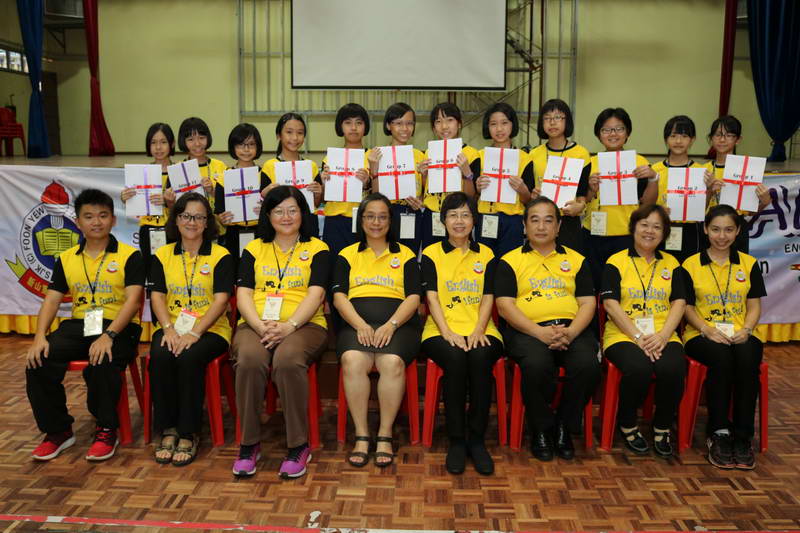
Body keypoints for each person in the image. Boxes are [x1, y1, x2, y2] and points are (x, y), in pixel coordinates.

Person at [25, 189, 144, 461]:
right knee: (38, 360)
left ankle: (106, 429)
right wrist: (39, 336)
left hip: (119, 326)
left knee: (103, 359)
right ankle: (58, 431)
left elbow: (133, 301)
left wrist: (109, 334)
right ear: (77, 222)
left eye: (103, 215)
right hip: (80, 325)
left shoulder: (130, 255)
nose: (96, 222)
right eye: (89, 216)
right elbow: (52, 300)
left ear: (113, 220)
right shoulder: (67, 258)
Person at [231, 186, 330, 479]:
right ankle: (249, 444)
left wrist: (290, 326)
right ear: (268, 215)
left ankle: (298, 445)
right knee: (249, 359)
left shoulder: (318, 249)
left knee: (287, 360)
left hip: (305, 325)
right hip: (256, 324)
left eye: (292, 210)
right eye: (278, 211)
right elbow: (243, 295)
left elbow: (316, 294)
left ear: (303, 214)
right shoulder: (254, 248)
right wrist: (260, 326)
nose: (286, 217)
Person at [495, 197, 600, 462]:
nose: (541, 227)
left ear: (558, 226)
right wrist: (538, 332)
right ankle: (541, 428)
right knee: (537, 364)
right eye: (535, 220)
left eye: (548, 220)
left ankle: (564, 425)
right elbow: (505, 306)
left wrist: (571, 333)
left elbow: (588, 303)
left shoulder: (576, 260)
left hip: (571, 329)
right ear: (524, 225)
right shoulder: (509, 261)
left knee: (588, 365)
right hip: (526, 331)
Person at [332, 193, 422, 468]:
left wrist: (391, 325)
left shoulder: (405, 254)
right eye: (370, 216)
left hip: (398, 324)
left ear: (390, 221)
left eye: (382, 217)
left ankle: (384, 433)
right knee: (353, 360)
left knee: (391, 362)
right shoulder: (347, 254)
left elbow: (414, 297)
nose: (376, 222)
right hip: (356, 323)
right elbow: (339, 297)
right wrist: (360, 325)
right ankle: (361, 434)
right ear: (361, 220)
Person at [148, 192, 234, 466]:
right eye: (186, 216)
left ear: (208, 222)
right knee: (161, 354)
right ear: (176, 219)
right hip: (171, 325)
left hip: (211, 330)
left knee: (188, 356)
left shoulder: (220, 255)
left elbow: (221, 300)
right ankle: (168, 428)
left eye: (199, 217)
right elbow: (157, 296)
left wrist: (195, 333)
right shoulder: (163, 254)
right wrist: (168, 329)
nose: (192, 222)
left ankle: (189, 432)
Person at [420, 192, 502, 475]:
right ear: (443, 221)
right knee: (455, 359)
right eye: (453, 215)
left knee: (480, 358)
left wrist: (479, 329)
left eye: (465, 215)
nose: (459, 221)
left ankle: (477, 440)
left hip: (482, 328)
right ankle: (456, 439)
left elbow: (489, 296)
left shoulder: (487, 254)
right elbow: (431, 298)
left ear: (474, 220)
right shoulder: (431, 254)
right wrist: (447, 332)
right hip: (440, 329)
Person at [682, 204, 766, 470]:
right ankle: (718, 432)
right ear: (706, 230)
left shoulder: (748, 264)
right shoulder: (690, 264)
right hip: (701, 334)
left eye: (729, 230)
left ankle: (742, 436)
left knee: (748, 357)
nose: (722, 236)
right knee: (721, 358)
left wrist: (747, 330)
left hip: (741, 332)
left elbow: (754, 305)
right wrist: (706, 329)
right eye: (716, 229)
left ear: (738, 231)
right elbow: (687, 307)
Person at [600, 204, 686, 457]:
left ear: (665, 233)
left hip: (662, 333)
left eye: (657, 227)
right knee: (638, 368)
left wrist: (663, 336)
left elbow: (679, 303)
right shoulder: (616, 261)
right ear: (633, 227)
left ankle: (662, 426)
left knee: (673, 368)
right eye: (644, 225)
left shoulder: (672, 263)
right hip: (622, 334)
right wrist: (637, 337)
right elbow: (610, 304)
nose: (650, 231)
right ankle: (627, 422)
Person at [583, 108, 658, 287]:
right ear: (599, 134)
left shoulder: (640, 162)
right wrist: (591, 189)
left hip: (627, 234)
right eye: (606, 129)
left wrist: (653, 178)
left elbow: (648, 204)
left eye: (619, 129)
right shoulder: (589, 163)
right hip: (594, 234)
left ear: (627, 133)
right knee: (596, 285)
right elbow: (582, 200)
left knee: (625, 285)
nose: (613, 134)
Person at [527, 99, 591, 254]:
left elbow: (582, 194)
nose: (552, 122)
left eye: (558, 117)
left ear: (567, 120)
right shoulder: (534, 154)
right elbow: (529, 192)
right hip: (541, 221)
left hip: (568, 220)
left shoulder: (581, 153)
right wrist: (532, 195)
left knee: (569, 263)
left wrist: (580, 207)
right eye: (547, 118)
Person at [473, 102, 535, 257]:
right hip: (486, 218)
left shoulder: (525, 158)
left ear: (513, 125)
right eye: (493, 124)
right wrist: (478, 188)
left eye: (504, 123)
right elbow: (472, 195)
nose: (499, 129)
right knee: (484, 262)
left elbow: (528, 200)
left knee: (510, 263)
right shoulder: (479, 156)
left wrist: (523, 190)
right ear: (487, 127)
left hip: (513, 220)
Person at [703, 115, 771, 253]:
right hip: (709, 228)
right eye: (718, 135)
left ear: (738, 140)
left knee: (738, 266)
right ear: (711, 138)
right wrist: (709, 191)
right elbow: (696, 211)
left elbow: (750, 212)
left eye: (729, 135)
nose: (722, 140)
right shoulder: (703, 170)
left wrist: (764, 202)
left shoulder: (749, 170)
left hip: (737, 229)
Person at [418, 102, 479, 251]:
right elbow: (426, 191)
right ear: (433, 128)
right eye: (438, 121)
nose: (444, 126)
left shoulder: (472, 154)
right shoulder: (428, 153)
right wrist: (424, 176)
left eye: (450, 120)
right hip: (431, 216)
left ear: (459, 123)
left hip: (459, 218)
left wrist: (467, 173)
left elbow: (471, 195)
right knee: (431, 256)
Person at [121, 123, 177, 278]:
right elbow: (134, 202)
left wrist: (169, 202)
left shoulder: (179, 171)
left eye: (163, 142)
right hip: (148, 229)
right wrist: (125, 198)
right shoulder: (141, 173)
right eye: (153, 142)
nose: (158, 147)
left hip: (173, 229)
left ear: (172, 144)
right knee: (151, 273)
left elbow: (187, 206)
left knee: (173, 273)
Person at [369, 102, 426, 254]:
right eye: (399, 123)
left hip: (412, 213)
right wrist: (374, 170)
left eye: (409, 123)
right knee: (385, 257)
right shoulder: (377, 155)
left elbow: (424, 193)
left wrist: (419, 202)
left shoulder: (420, 156)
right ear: (388, 126)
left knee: (410, 257)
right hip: (385, 215)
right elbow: (375, 195)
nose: (405, 128)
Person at [651, 115, 707, 263]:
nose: (678, 141)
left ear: (692, 140)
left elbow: (704, 207)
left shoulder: (701, 172)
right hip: (660, 229)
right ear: (665, 139)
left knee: (690, 270)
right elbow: (645, 204)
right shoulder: (654, 170)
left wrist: (711, 189)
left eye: (684, 136)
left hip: (691, 232)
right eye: (673, 136)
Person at [320, 103, 372, 256]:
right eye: (348, 123)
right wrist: (323, 183)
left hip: (364, 220)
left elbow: (380, 194)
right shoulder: (329, 159)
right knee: (336, 264)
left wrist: (367, 183)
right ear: (340, 126)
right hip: (334, 221)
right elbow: (322, 198)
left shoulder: (373, 157)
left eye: (359, 123)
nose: (353, 128)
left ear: (365, 126)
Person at [260, 113, 323, 237]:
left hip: (307, 224)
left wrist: (318, 194)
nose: (295, 137)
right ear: (279, 135)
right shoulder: (269, 166)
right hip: (280, 226)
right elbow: (265, 206)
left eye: (300, 133)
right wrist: (264, 194)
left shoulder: (311, 166)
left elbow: (315, 204)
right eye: (289, 132)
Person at [216, 123, 266, 264]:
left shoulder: (265, 175)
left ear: (258, 146)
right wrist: (222, 218)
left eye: (251, 144)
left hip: (261, 232)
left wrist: (266, 210)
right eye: (240, 145)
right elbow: (219, 210)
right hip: (233, 234)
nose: (246, 149)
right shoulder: (224, 177)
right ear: (233, 147)